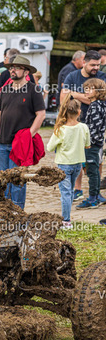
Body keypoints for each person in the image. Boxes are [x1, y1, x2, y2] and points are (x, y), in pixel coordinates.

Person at [0, 56, 46, 209]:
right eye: (11, 68)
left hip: (19, 143)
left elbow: (41, 114)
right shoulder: (5, 89)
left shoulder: (33, 90)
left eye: (17, 68)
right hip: (2, 143)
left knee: (17, 180)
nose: (12, 70)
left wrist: (29, 135)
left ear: (26, 72)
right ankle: (5, 211)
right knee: (3, 179)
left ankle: (17, 212)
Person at [61, 50, 106, 201]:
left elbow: (101, 99)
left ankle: (95, 192)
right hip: (76, 122)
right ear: (84, 62)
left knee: (96, 159)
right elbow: (63, 98)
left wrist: (75, 94)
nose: (96, 68)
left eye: (98, 65)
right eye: (93, 65)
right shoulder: (72, 76)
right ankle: (78, 189)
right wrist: (86, 98)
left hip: (96, 126)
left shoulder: (102, 77)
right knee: (77, 158)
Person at [46, 96, 90, 228]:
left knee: (65, 193)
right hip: (78, 165)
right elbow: (87, 145)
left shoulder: (61, 129)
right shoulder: (83, 127)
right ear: (79, 112)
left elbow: (49, 147)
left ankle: (66, 220)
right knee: (70, 191)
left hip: (64, 165)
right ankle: (67, 216)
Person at [76, 78, 106, 209]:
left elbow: (94, 128)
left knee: (92, 171)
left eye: (90, 89)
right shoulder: (100, 104)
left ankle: (93, 199)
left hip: (92, 144)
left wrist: (87, 143)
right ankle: (98, 195)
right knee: (95, 170)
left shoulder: (95, 106)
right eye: (86, 88)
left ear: (99, 91)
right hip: (97, 143)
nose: (86, 91)